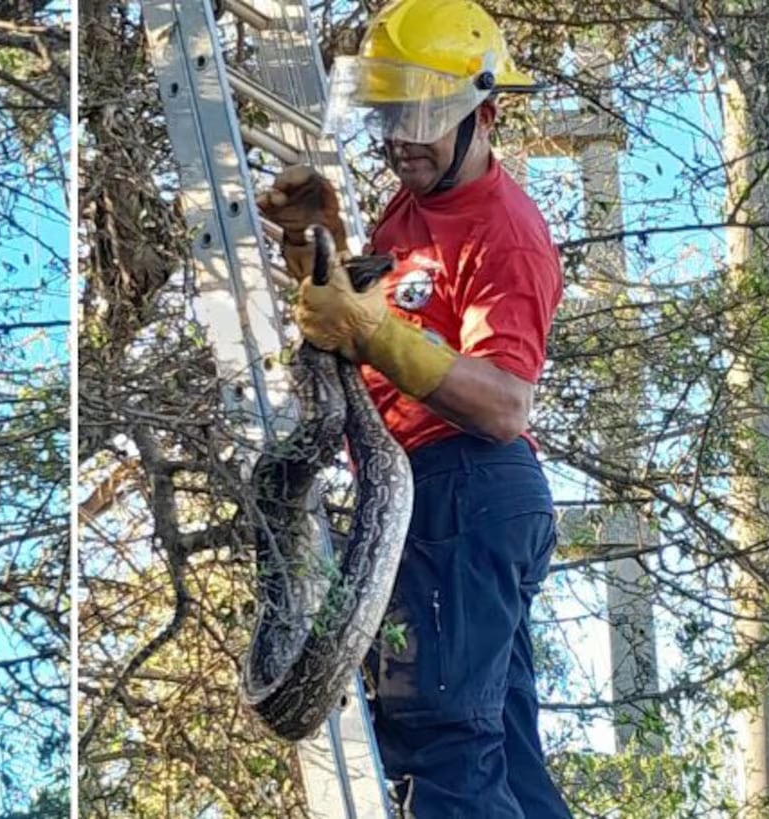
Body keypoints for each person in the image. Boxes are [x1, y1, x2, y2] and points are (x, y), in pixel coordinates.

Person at [257, 0, 573, 816]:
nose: (403, 136)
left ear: (484, 113)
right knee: (500, 756)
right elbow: (373, 320)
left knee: (438, 745)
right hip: (436, 496)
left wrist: (372, 328)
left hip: (464, 487)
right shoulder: (412, 207)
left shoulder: (507, 232)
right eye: (393, 111)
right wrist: (317, 247)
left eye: (426, 115)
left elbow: (505, 404)